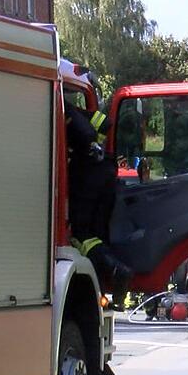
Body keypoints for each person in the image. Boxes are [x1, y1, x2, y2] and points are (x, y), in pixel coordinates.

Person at [65, 100, 133, 310]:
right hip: (90, 224)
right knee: (97, 240)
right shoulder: (98, 163)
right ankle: (115, 284)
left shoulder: (81, 159)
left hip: (81, 226)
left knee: (83, 238)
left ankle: (115, 277)